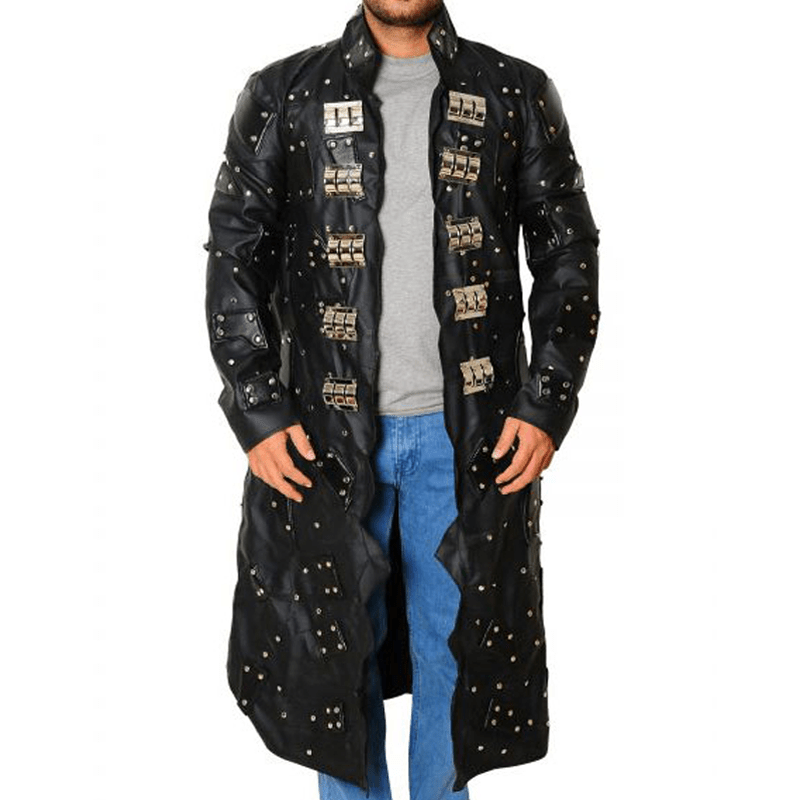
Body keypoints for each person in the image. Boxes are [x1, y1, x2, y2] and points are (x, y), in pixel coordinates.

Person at [203, 2, 600, 798]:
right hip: (321, 442)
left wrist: (546, 402)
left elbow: (568, 254)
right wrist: (258, 410)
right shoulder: (283, 93)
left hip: (471, 443)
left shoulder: (515, 91)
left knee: (459, 670)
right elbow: (235, 257)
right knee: (333, 673)